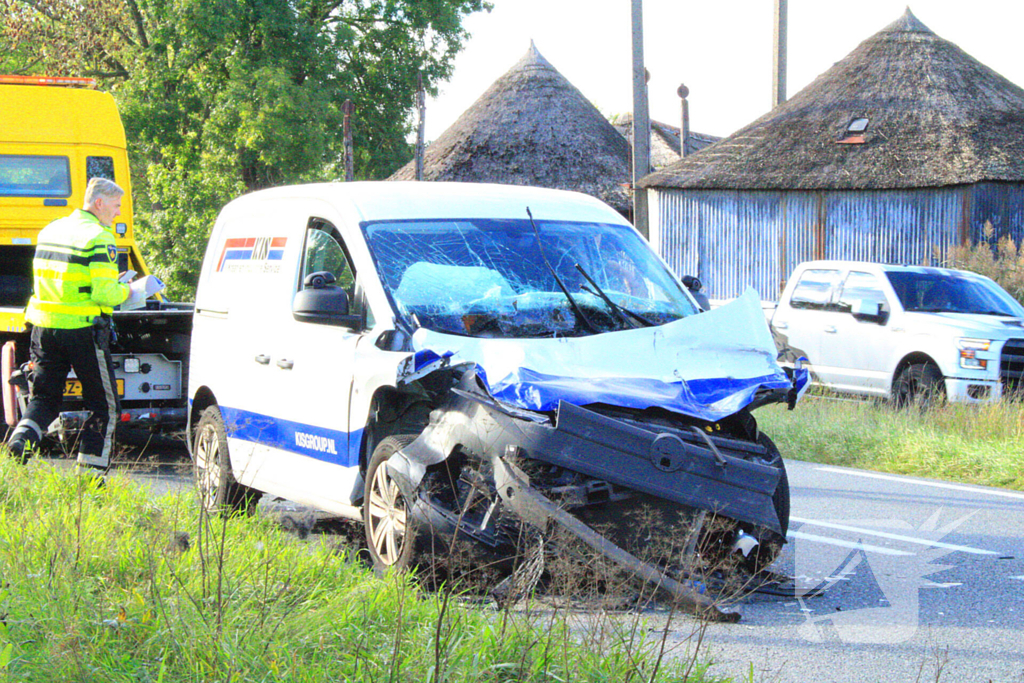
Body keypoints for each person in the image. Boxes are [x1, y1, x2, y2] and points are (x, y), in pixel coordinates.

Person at [4, 177, 130, 473]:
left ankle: (22, 439)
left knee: (45, 397)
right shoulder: (99, 237)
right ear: (98, 203)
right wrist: (128, 290)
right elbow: (104, 293)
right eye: (115, 206)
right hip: (83, 330)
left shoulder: (51, 230)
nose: (118, 212)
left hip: (44, 328)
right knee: (105, 407)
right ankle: (90, 476)